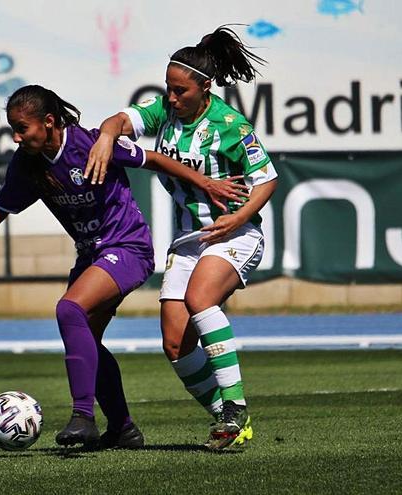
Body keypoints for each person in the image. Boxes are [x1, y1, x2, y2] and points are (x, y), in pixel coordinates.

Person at [0, 85, 246, 449]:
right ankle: (122, 428)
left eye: (22, 128)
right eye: (13, 128)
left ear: (49, 121)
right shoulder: (27, 164)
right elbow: (1, 207)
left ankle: (83, 416)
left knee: (69, 308)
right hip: (92, 255)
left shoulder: (92, 144)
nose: (16, 136)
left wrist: (204, 182)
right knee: (85, 334)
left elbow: (152, 159)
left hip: (128, 247)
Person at [85, 26, 278, 451]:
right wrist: (104, 136)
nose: (172, 99)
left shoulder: (230, 124)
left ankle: (235, 406)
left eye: (180, 91)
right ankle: (227, 422)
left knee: (200, 299)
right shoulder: (164, 112)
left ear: (204, 87)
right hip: (190, 239)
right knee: (175, 343)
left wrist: (239, 217)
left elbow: (266, 179)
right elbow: (119, 121)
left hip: (234, 233)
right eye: (168, 90)